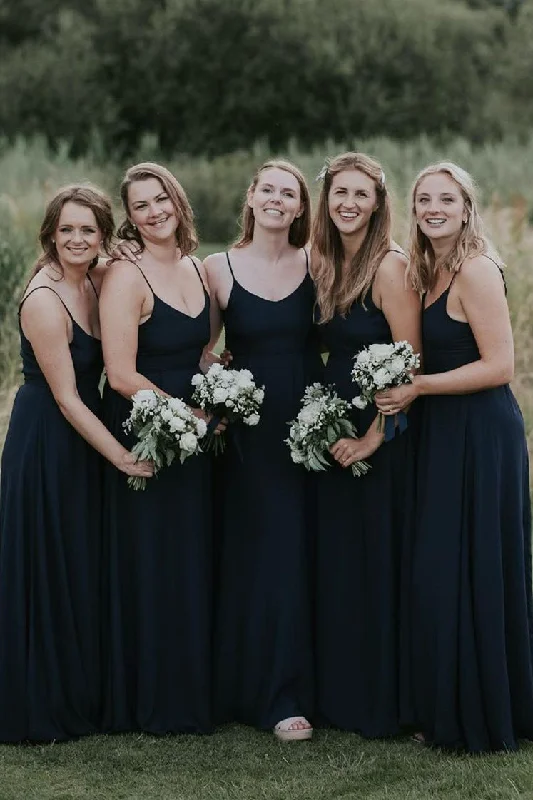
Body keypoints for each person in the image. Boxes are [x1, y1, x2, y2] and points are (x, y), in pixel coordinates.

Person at [376, 162, 533, 752]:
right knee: (441, 567)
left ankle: (484, 712)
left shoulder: (476, 271)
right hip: (441, 433)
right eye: (424, 199)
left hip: (481, 434)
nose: (434, 208)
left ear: (467, 208)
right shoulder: (429, 270)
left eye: (446, 198)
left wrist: (418, 388)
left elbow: (501, 367)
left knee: (477, 565)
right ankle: (445, 704)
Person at [0, 185, 152, 742]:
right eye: (66, 230)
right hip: (48, 438)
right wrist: (120, 456)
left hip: (83, 434)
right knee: (50, 561)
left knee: (81, 560)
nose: (77, 239)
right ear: (50, 233)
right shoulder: (44, 300)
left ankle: (85, 687)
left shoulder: (95, 276)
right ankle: (44, 699)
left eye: (88, 229)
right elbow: (66, 397)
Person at [99, 162, 221, 734]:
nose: (154, 212)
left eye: (161, 199)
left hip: (194, 435)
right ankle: (154, 698)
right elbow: (121, 374)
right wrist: (186, 416)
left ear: (178, 201)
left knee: (190, 557)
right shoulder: (127, 276)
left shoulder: (197, 268)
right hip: (148, 431)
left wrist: (222, 392)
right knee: (152, 559)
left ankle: (194, 689)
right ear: (130, 218)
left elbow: (199, 352)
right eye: (140, 206)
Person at [204, 159, 320, 740]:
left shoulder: (317, 262)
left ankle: (317, 683)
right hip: (251, 428)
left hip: (311, 424)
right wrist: (216, 393)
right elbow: (199, 350)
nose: (276, 200)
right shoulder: (216, 268)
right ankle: (272, 693)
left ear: (302, 208)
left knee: (308, 550)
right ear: (250, 197)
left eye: (289, 193)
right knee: (263, 553)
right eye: (267, 189)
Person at [311, 152, 421, 737]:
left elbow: (409, 363)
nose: (348, 204)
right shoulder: (324, 259)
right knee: (342, 559)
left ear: (379, 203)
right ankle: (340, 693)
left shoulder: (389, 266)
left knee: (378, 556)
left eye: (360, 194)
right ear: (325, 199)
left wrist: (374, 438)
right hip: (332, 422)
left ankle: (383, 698)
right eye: (338, 193)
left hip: (380, 426)